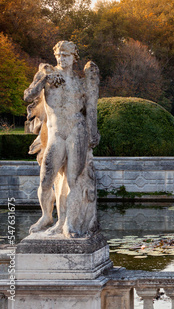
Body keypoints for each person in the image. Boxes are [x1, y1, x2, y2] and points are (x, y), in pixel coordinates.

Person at [24, 41, 100, 238]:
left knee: (73, 181)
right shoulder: (48, 75)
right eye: (58, 55)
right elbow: (28, 96)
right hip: (56, 133)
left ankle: (68, 225)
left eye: (65, 55)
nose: (61, 59)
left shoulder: (80, 81)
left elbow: (91, 108)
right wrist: (44, 79)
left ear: (74, 57)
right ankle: (46, 216)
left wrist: (93, 131)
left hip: (76, 130)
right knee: (46, 180)